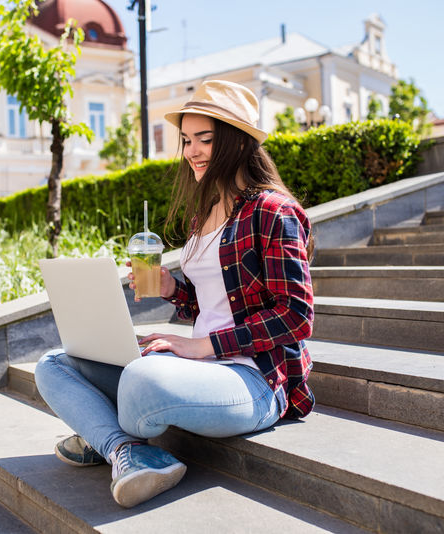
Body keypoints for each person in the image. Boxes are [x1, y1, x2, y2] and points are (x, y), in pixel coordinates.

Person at [34, 79, 314, 509]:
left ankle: (102, 436)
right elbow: (215, 303)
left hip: (255, 380)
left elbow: (296, 315)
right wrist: (172, 289)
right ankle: (127, 450)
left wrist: (204, 345)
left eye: (205, 139)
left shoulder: (274, 211)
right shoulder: (203, 215)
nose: (192, 151)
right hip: (198, 368)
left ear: (238, 143)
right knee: (53, 365)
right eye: (186, 140)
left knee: (141, 380)